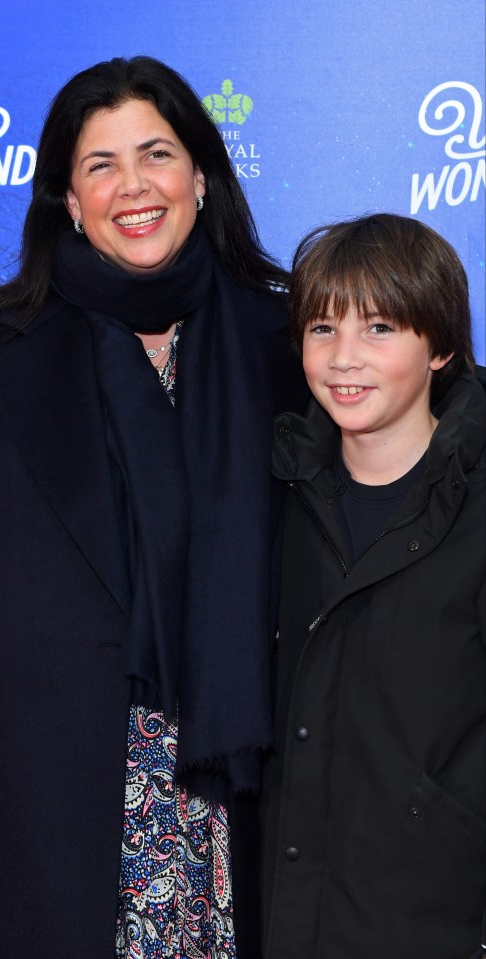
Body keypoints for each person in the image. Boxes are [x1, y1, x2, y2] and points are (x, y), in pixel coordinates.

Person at [0, 55, 306, 959]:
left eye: (155, 154)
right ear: (68, 201)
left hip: (237, 790)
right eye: (100, 165)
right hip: (31, 788)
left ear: (200, 173)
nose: (133, 186)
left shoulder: (287, 345)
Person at [261, 214, 485, 959]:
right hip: (289, 911)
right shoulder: (277, 491)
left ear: (441, 347)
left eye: (380, 327)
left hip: (436, 917)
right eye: (322, 328)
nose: (343, 358)